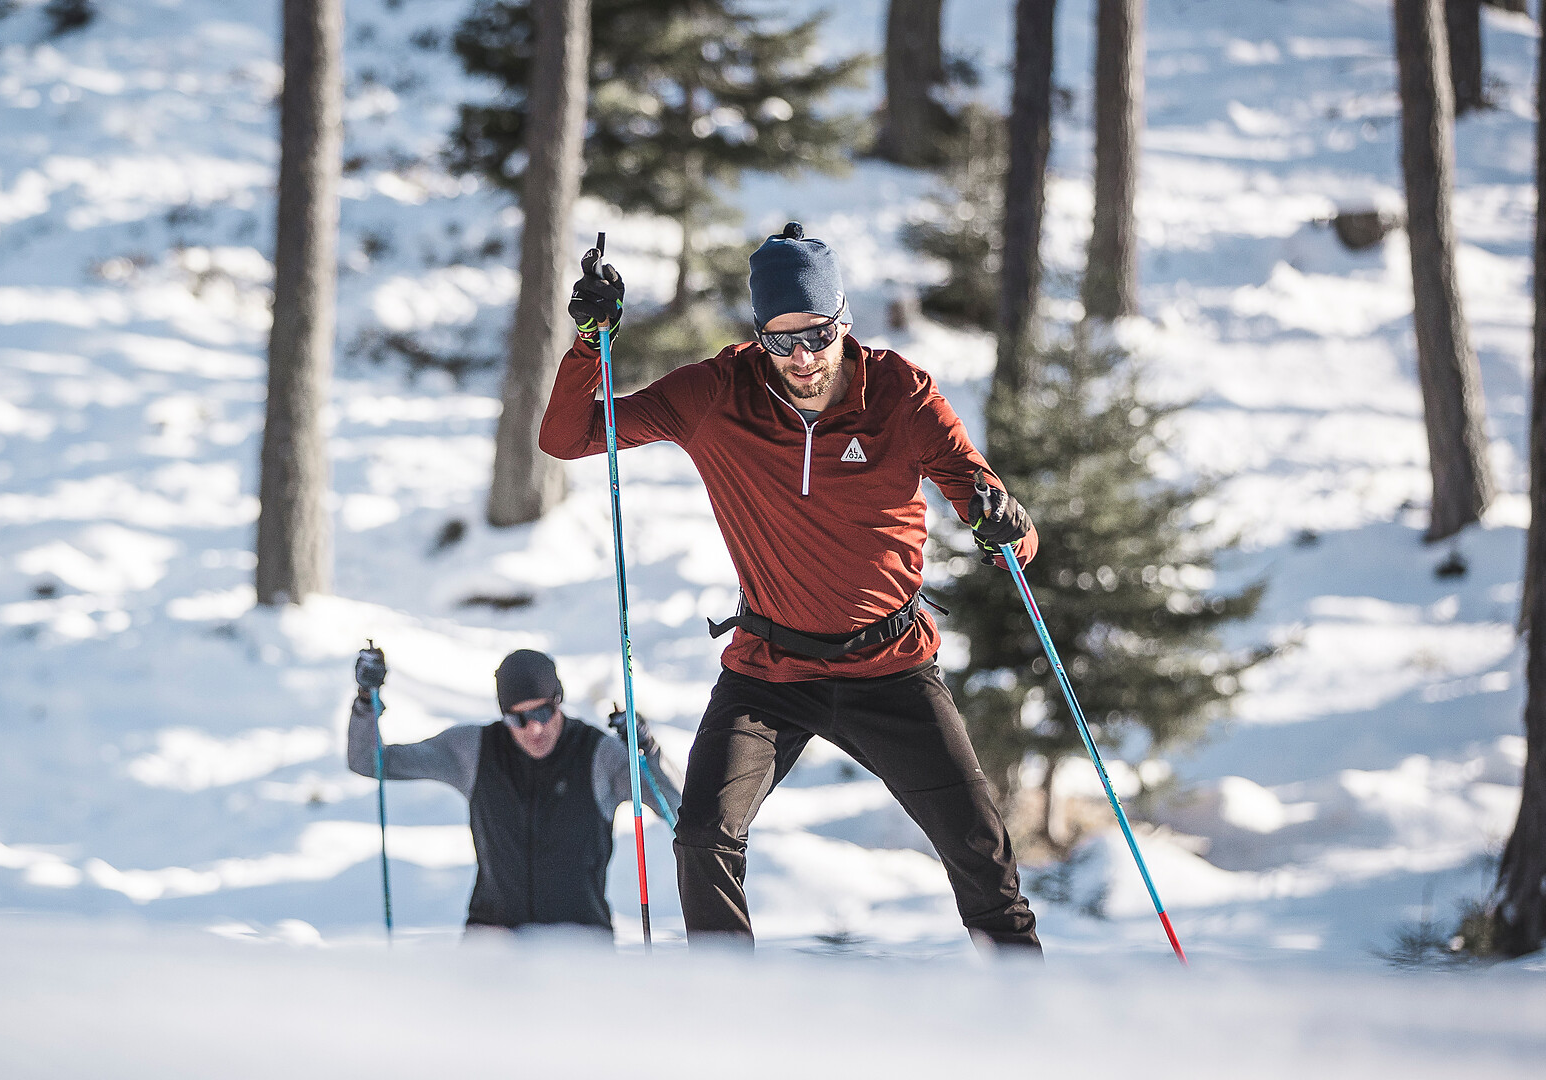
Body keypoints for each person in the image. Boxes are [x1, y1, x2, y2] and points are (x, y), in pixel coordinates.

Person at [538, 223, 1042, 954]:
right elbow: (569, 436)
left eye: (817, 335)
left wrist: (1005, 527)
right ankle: (734, 1015)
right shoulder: (716, 392)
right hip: (771, 673)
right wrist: (591, 346)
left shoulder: (899, 393)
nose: (802, 358)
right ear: (756, 336)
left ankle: (1025, 1003)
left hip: (891, 667)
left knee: (979, 849)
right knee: (703, 835)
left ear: (843, 320)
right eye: (780, 341)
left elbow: (1001, 521)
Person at [346, 646, 680, 936]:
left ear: (558, 701)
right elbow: (369, 761)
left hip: (579, 943)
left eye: (542, 712)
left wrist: (647, 752)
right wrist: (366, 702)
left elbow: (677, 809)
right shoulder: (472, 750)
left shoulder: (598, 755)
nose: (534, 727)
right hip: (494, 940)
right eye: (518, 718)